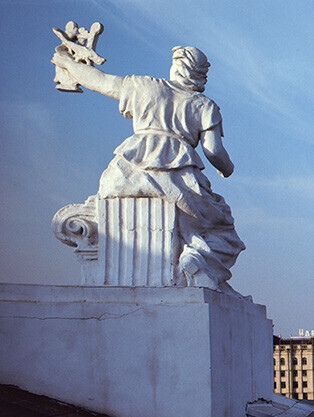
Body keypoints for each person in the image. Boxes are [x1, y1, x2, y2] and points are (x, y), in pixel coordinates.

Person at [51, 44, 244, 292]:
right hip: (180, 178)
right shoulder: (203, 104)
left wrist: (67, 62)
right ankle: (197, 259)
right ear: (200, 74)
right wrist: (227, 169)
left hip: (127, 173)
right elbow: (214, 151)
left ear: (176, 66)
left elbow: (98, 80)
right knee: (222, 229)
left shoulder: (144, 85)